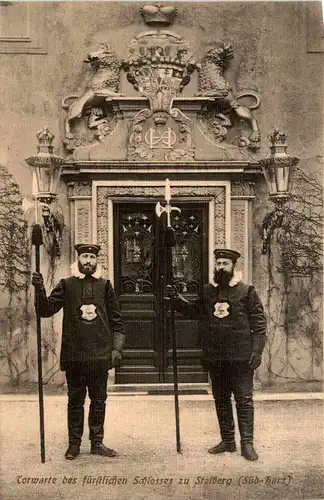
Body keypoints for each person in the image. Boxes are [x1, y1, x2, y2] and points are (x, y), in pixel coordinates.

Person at [166, 248, 267, 461]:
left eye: (225, 264)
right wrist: (176, 300)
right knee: (220, 398)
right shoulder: (208, 291)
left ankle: (247, 443)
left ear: (233, 266)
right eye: (218, 263)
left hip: (241, 357)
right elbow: (195, 312)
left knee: (244, 399)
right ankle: (227, 441)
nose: (221, 267)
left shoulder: (247, 291)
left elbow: (259, 324)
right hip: (216, 356)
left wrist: (257, 351)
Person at [32, 243, 125, 460]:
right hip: (75, 355)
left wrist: (116, 349)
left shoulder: (105, 286)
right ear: (78, 259)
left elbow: (117, 321)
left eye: (92, 257)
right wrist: (40, 290)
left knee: (99, 400)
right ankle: (74, 444)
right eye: (85, 256)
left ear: (96, 261)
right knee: (75, 401)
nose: (89, 261)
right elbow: (46, 310)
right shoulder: (66, 285)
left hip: (100, 355)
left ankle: (97, 442)